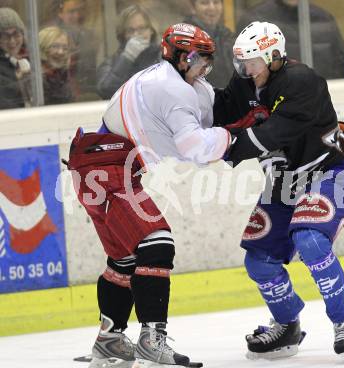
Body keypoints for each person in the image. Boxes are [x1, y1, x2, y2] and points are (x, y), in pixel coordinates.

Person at [65, 23, 231, 367]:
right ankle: (151, 340)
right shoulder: (172, 88)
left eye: (209, 60)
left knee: (125, 259)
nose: (205, 67)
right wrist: (235, 139)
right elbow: (195, 148)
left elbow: (213, 107)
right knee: (157, 244)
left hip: (98, 166)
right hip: (106, 170)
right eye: (201, 59)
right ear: (180, 56)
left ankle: (109, 340)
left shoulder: (174, 80)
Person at [214, 21, 344, 362]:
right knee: (259, 261)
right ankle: (287, 325)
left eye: (251, 62)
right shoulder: (246, 81)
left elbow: (271, 135)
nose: (244, 70)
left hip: (331, 172)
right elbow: (219, 109)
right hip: (284, 183)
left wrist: (220, 146)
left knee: (310, 239)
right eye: (241, 62)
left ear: (275, 57)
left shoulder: (303, 82)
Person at [237, 0, 344, 80]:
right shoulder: (255, 19)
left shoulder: (323, 18)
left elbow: (341, 61)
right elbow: (243, 67)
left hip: (317, 102)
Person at [96, 4, 160, 99]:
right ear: (123, 34)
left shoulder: (163, 57)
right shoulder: (112, 62)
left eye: (141, 28)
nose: (136, 34)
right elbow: (105, 91)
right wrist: (127, 58)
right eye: (130, 30)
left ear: (151, 30)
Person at [51, 0, 97, 97]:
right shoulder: (52, 37)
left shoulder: (88, 35)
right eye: (71, 12)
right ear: (60, 13)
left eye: (79, 11)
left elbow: (91, 70)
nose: (77, 16)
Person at [183, 0, 235, 87]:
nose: (212, 7)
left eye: (216, 2)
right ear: (193, 7)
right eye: (205, 3)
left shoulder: (226, 35)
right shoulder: (185, 37)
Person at [0, 7, 31, 109]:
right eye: (5, 36)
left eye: (16, 34)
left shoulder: (29, 60)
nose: (12, 41)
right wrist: (17, 81)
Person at [39, 26, 74, 105]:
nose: (60, 52)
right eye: (55, 46)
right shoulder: (34, 77)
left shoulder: (63, 74)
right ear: (42, 47)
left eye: (65, 48)